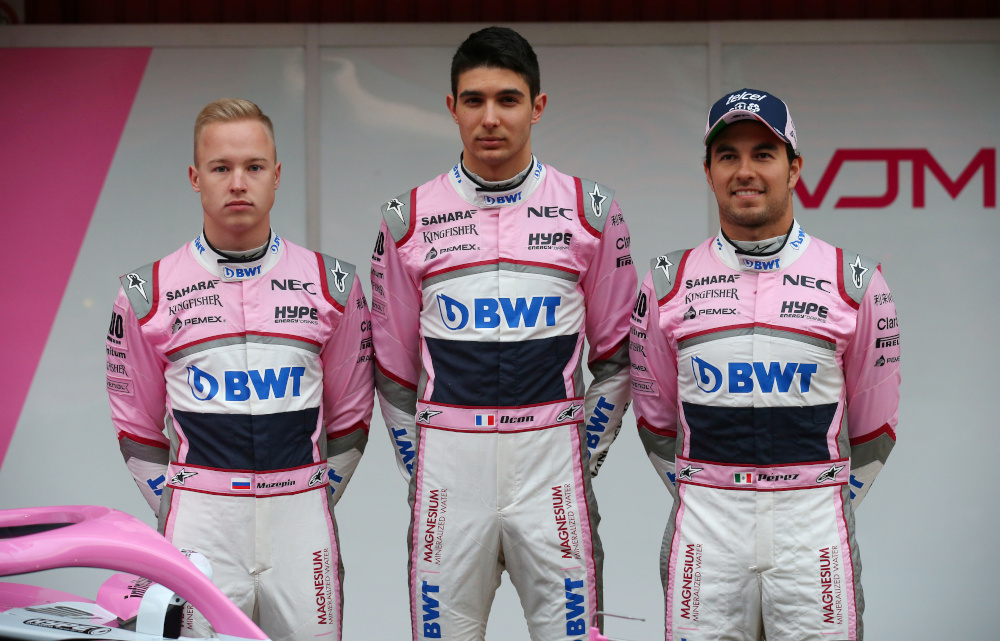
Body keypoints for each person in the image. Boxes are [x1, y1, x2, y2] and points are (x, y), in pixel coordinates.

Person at [370, 27, 636, 641]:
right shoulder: (406, 218)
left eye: (509, 99)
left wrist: (581, 452)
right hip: (448, 479)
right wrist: (425, 463)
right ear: (452, 107)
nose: (490, 118)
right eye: (474, 100)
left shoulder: (592, 210)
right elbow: (391, 371)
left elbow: (620, 360)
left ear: (538, 107)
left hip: (554, 472)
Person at [630, 88, 900, 640]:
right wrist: (709, 491)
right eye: (728, 155)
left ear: (794, 168)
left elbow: (877, 428)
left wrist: (819, 502)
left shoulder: (856, 282)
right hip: (706, 526)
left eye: (763, 154)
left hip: (814, 531)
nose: (745, 171)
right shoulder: (664, 283)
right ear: (708, 172)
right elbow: (653, 419)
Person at [105, 98, 374, 641]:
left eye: (253, 167)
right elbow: (135, 425)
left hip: (302, 522)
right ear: (194, 178)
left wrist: (310, 496)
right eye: (220, 168)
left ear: (276, 176)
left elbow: (352, 414)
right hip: (201, 525)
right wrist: (185, 501)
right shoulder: (146, 292)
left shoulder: (334, 285)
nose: (237, 183)